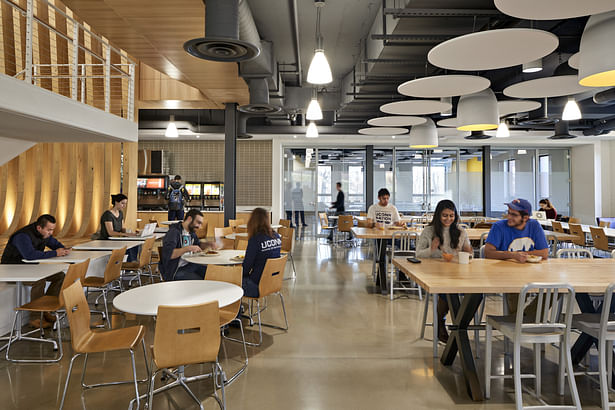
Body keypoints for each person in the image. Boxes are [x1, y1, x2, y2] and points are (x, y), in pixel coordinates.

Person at [416, 200, 472, 343]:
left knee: (476, 294)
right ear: (438, 216)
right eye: (444, 215)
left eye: (451, 216)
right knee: (448, 291)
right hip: (435, 272)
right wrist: (432, 249)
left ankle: (460, 325)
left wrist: (469, 252)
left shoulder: (460, 231)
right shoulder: (429, 231)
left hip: (458, 272)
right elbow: (418, 254)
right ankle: (442, 322)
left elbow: (469, 253)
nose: (448, 219)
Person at [1, 214, 70, 328]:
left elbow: (55, 244)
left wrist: (64, 249)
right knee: (39, 280)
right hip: (12, 270)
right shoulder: (22, 236)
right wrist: (55, 253)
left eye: (52, 229)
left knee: (60, 276)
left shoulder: (44, 233)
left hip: (29, 268)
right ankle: (36, 317)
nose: (51, 233)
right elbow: (30, 255)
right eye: (49, 230)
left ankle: (46, 309)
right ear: (39, 228)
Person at [484, 198, 549, 315]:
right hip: (507, 275)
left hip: (533, 274)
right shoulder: (499, 227)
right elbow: (488, 252)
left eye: (514, 215)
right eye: (508, 213)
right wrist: (512, 255)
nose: (509, 217)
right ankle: (518, 321)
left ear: (525, 218)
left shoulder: (534, 225)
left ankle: (523, 319)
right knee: (517, 289)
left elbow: (544, 253)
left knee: (557, 289)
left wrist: (523, 255)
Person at [160, 209, 215, 281]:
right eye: (198, 223)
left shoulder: (191, 232)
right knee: (202, 282)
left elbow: (197, 245)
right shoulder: (174, 232)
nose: (200, 227)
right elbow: (169, 254)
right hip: (175, 271)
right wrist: (187, 248)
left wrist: (208, 244)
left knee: (212, 274)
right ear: (189, 219)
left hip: (190, 265)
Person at [367, 188, 404, 293]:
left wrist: (400, 223)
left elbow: (397, 222)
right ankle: (384, 283)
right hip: (379, 236)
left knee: (405, 247)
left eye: (388, 198)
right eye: (384, 198)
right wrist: (375, 224)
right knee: (381, 254)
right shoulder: (373, 208)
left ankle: (402, 273)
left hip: (392, 236)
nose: (386, 201)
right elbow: (368, 223)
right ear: (379, 198)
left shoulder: (393, 208)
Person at [242, 208, 282, 297]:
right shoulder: (277, 236)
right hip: (273, 283)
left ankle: (237, 310)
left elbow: (246, 267)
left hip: (257, 286)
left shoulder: (256, 239)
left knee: (230, 281)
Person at [100, 193, 138, 261]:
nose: (124, 206)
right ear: (116, 202)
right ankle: (127, 266)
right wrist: (126, 234)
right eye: (122, 203)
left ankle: (130, 265)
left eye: (125, 203)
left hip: (116, 239)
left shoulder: (120, 213)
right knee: (127, 248)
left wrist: (130, 232)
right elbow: (110, 232)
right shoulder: (108, 215)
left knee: (134, 244)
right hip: (107, 240)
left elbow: (122, 228)